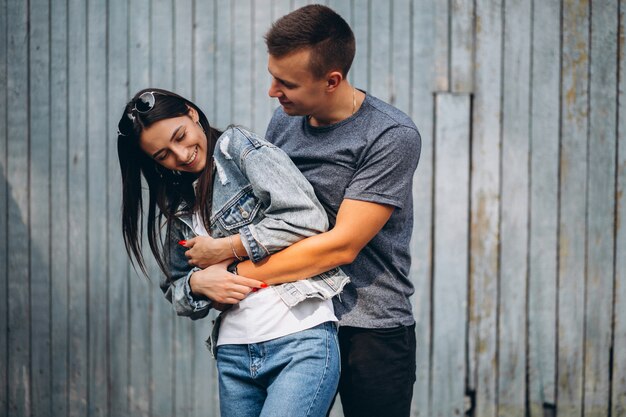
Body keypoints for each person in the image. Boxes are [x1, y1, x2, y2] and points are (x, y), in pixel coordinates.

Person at [189, 5, 422, 417]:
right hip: (297, 320)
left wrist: (229, 273)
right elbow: (262, 214)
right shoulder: (285, 121)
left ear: (332, 80)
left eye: (286, 83)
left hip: (367, 326)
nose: (273, 92)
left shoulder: (389, 135)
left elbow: (340, 247)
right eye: (272, 77)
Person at [116, 88, 349, 417]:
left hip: (299, 341)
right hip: (234, 356)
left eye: (180, 136)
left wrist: (226, 248)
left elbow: (307, 218)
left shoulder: (235, 149)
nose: (181, 155)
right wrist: (198, 286)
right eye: (163, 155)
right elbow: (175, 287)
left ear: (191, 113)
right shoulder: (178, 201)